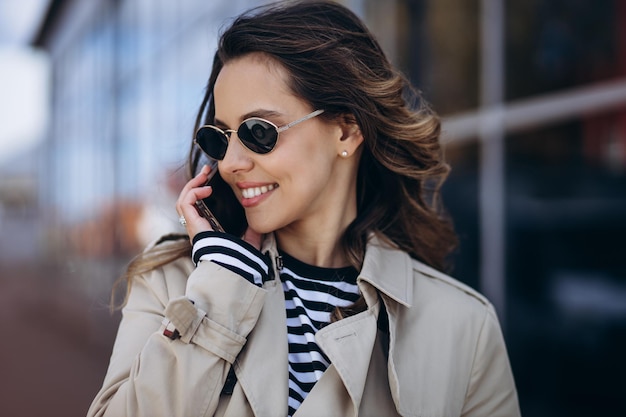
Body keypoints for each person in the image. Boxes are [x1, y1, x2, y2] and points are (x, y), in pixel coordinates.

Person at [87, 1, 520, 416]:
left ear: (347, 131)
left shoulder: (463, 327)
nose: (231, 162)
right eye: (219, 138)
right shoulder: (174, 282)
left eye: (259, 131)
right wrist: (218, 296)